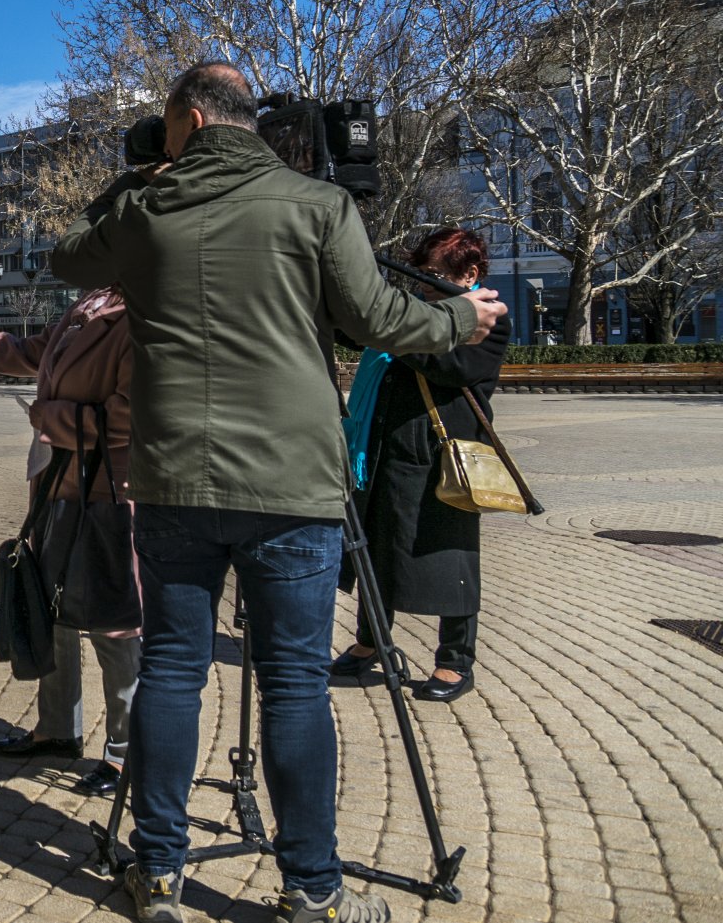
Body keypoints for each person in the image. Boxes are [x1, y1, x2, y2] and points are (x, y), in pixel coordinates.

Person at [50, 63, 506, 923]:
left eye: (167, 126)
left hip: (176, 478)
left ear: (187, 118)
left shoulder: (146, 212)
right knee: (294, 681)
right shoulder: (317, 204)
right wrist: (461, 319)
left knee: (173, 670)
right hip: (295, 482)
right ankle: (312, 891)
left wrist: (137, 172)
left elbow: (68, 253)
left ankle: (157, 874)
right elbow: (381, 321)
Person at [0, 285, 141, 797]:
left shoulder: (149, 306)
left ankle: (127, 755)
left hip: (112, 493)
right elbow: (31, 352)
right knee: (49, 609)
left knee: (115, 626)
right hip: (59, 484)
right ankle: (58, 731)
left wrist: (53, 419)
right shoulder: (91, 302)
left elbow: (137, 413)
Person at [334, 227, 509, 705]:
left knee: (451, 558)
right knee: (374, 549)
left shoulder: (489, 316)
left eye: (433, 276)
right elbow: (352, 330)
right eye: (420, 275)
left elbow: (452, 369)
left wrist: (402, 327)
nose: (424, 286)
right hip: (383, 452)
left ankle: (455, 660)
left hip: (443, 460)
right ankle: (372, 642)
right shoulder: (413, 313)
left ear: (469, 274)